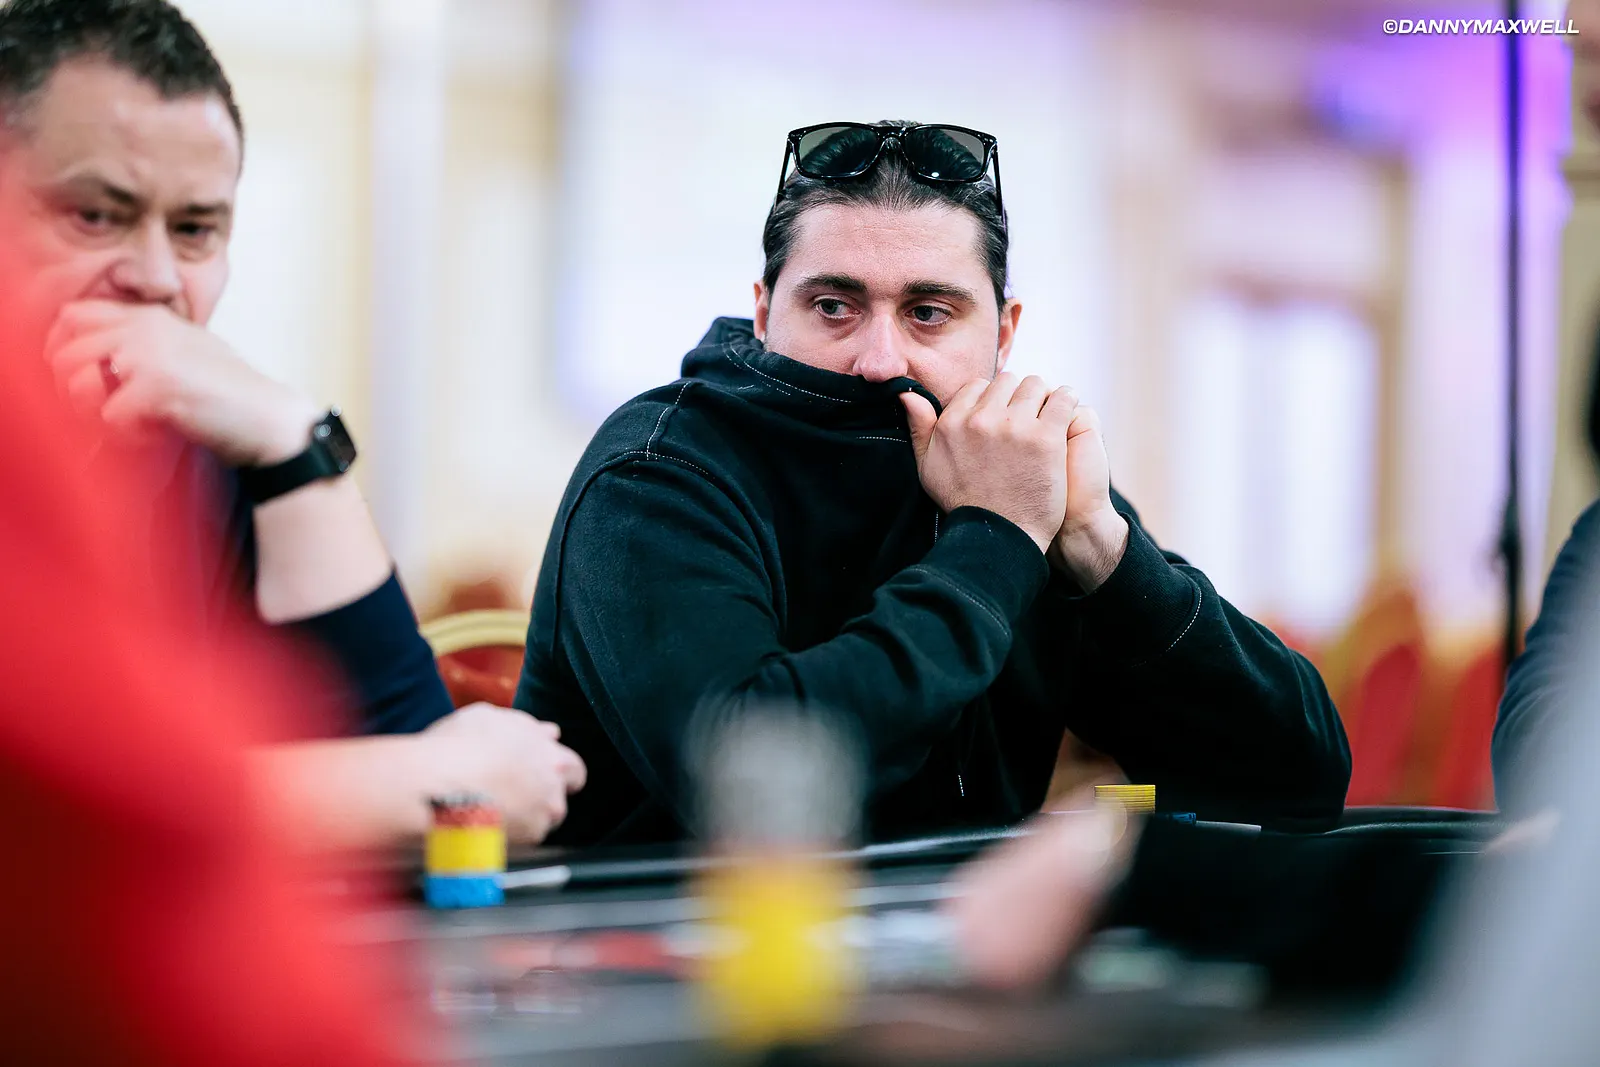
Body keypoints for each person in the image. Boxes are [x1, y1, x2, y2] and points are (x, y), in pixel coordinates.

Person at [515, 120, 1351, 845]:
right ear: (765, 314)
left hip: (961, 954)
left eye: (929, 313)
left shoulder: (1016, 467)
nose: (881, 360)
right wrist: (993, 541)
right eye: (834, 306)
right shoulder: (656, 474)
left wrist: (1104, 551)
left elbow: (1295, 780)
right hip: (668, 954)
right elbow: (756, 786)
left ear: (1004, 333)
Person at [0, 0, 585, 847]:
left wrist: (293, 442)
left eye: (195, 229)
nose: (156, 277)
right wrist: (417, 787)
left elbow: (406, 757)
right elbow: (54, 822)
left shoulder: (215, 441)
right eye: (95, 214)